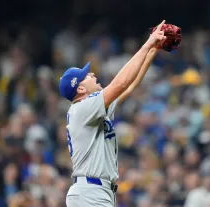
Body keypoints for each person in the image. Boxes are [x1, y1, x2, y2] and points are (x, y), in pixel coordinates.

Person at [58, 20, 167, 207]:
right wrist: (147, 44)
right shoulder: (83, 108)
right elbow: (120, 84)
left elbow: (129, 86)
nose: (92, 74)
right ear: (81, 89)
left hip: (97, 192)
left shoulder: (93, 109)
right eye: (87, 75)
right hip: (90, 193)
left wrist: (152, 51)